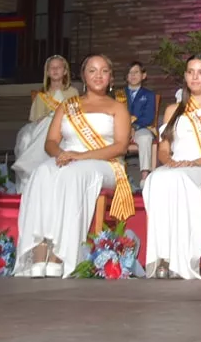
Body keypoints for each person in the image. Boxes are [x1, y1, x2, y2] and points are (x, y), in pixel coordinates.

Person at [14, 54, 132, 278]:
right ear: (83, 76)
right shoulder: (68, 105)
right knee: (42, 172)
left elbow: (120, 147)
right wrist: (62, 154)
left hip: (105, 164)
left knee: (73, 175)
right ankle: (40, 251)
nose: (98, 75)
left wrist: (81, 156)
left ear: (111, 77)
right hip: (69, 159)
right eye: (92, 70)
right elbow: (51, 142)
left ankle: (61, 253)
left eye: (104, 71)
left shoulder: (118, 107)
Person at [142, 54, 201, 279]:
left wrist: (193, 163)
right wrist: (170, 162)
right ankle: (161, 257)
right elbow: (164, 149)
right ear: (185, 76)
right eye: (191, 72)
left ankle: (180, 259)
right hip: (177, 166)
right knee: (155, 178)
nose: (195, 77)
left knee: (178, 179)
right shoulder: (173, 109)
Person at [12, 56, 78, 192]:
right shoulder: (41, 95)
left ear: (65, 71)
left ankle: (29, 162)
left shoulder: (73, 93)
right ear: (47, 72)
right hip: (42, 129)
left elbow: (76, 116)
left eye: (58, 67)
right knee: (45, 123)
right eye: (51, 68)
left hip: (66, 130)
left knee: (53, 120)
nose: (55, 70)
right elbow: (35, 121)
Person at [124, 61, 158, 181]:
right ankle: (118, 175)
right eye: (130, 72)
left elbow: (148, 117)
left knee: (145, 138)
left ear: (143, 75)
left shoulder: (149, 95)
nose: (133, 75)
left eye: (136, 72)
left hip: (141, 128)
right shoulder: (118, 94)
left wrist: (134, 127)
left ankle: (145, 176)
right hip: (121, 129)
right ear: (126, 77)